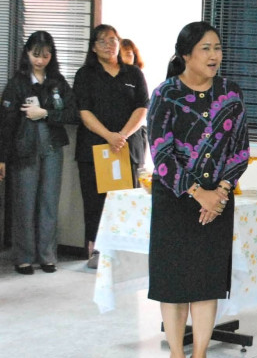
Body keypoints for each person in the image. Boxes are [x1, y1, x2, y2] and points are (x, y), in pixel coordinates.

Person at [147, 22, 250, 358]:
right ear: (185, 55)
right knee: (174, 285)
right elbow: (161, 154)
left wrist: (219, 193)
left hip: (217, 202)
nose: (214, 55)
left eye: (217, 48)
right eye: (205, 48)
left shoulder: (230, 93)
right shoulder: (165, 95)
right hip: (175, 199)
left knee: (207, 285)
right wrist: (199, 193)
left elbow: (240, 150)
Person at [0, 31, 79, 275]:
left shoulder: (57, 82)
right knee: (24, 204)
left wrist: (44, 113)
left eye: (45, 55)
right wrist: (2, 158)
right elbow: (6, 124)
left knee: (49, 203)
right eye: (36, 54)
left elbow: (73, 114)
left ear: (51, 56)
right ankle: (23, 257)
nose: (40, 60)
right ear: (26, 53)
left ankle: (47, 255)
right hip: (24, 150)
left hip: (52, 150)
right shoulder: (17, 83)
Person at [73, 25, 149, 269]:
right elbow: (84, 111)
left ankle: (125, 250)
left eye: (113, 39)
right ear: (93, 47)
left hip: (126, 147)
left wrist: (122, 136)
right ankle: (98, 251)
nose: (109, 45)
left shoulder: (133, 74)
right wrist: (108, 136)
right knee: (95, 202)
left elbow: (142, 108)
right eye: (102, 41)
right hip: (94, 148)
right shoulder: (85, 74)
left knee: (125, 200)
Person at [119, 38, 148, 168]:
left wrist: (122, 135)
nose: (125, 59)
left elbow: (143, 106)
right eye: (121, 55)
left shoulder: (138, 76)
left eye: (129, 54)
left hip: (133, 138)